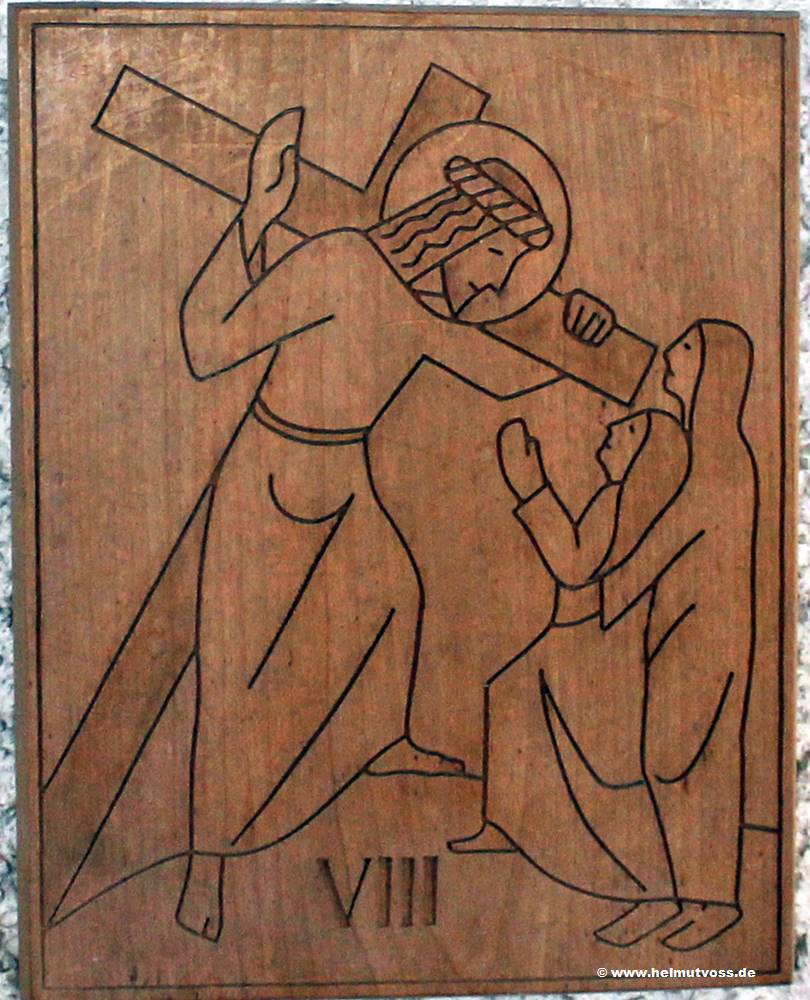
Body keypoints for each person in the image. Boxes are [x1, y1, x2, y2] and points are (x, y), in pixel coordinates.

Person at [176, 107, 618, 941]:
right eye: (498, 256)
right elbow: (208, 344)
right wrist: (254, 218)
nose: (500, 282)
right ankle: (206, 870)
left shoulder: (426, 312)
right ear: (459, 228)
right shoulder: (339, 260)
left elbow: (503, 373)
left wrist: (577, 326)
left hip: (347, 474)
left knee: (393, 599)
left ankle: (383, 739)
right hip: (269, 473)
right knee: (234, 673)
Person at [452, 320, 757, 954]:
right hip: (671, 630)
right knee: (662, 762)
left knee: (686, 763)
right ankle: (668, 895)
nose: (672, 355)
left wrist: (605, 592)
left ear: (714, 375)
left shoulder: (719, 460)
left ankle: (708, 901)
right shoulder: (691, 448)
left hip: (707, 634)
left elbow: (665, 543)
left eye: (688, 349)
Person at [449, 410, 688, 903]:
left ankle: (640, 867)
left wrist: (532, 487)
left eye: (628, 431)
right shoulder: (614, 498)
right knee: (508, 693)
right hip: (570, 631)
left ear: (647, 458)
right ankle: (504, 823)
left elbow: (574, 564)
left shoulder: (628, 505)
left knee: (588, 750)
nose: (610, 430)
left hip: (591, 643)